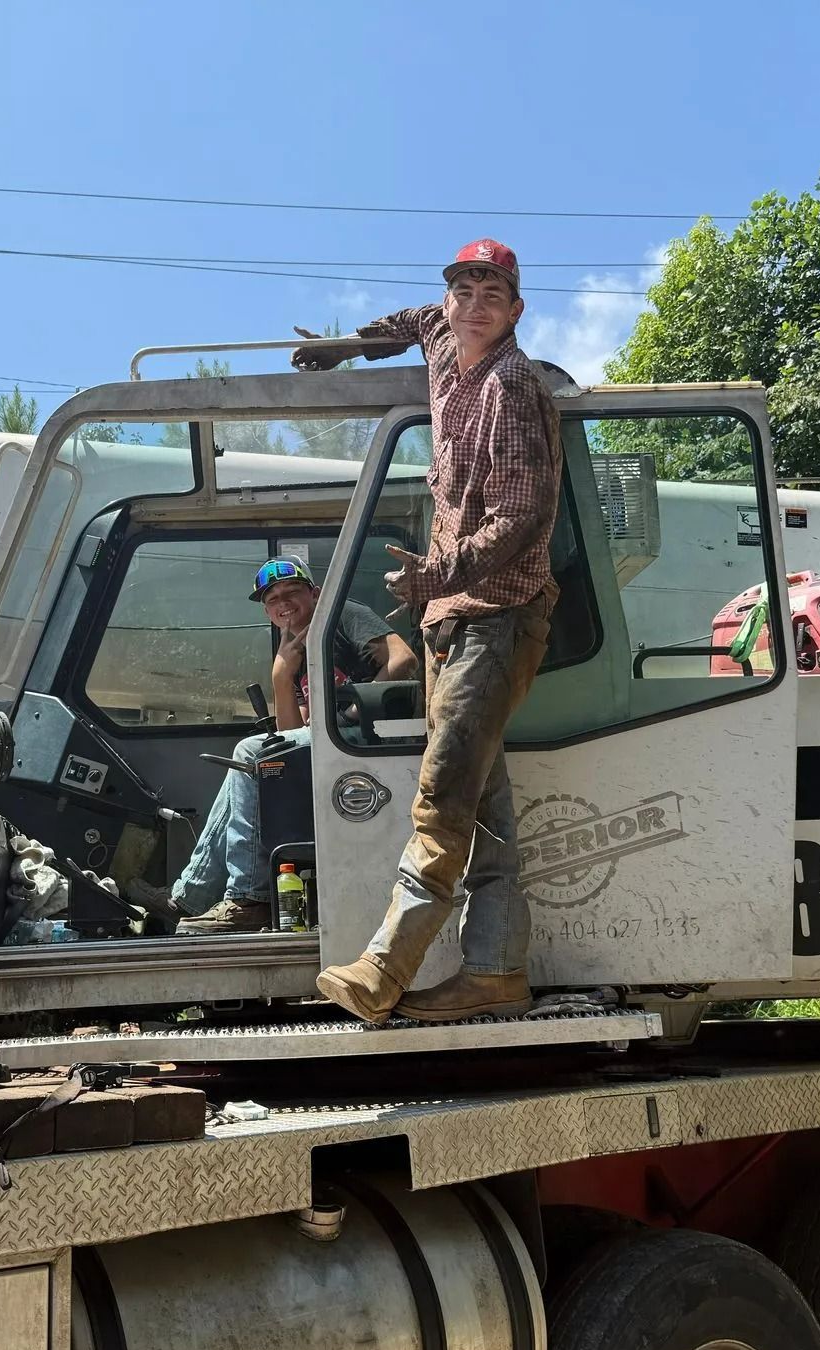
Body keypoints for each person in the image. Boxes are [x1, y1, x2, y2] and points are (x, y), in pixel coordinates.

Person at [293, 239, 563, 1024]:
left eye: (492, 294)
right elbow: (410, 320)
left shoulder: (515, 387)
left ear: (515, 312)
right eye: (463, 289)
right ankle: (496, 972)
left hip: (495, 618)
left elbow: (521, 517)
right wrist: (346, 348)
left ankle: (382, 970)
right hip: (452, 623)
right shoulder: (444, 340)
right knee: (487, 809)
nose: (473, 304)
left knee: (443, 799)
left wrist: (436, 578)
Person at [173, 556, 416, 933]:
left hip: (367, 742)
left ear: (315, 594)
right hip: (329, 744)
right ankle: (187, 900)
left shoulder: (341, 615)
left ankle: (250, 897)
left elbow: (404, 659)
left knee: (249, 751)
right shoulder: (295, 647)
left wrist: (354, 711)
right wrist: (281, 675)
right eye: (272, 599)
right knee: (248, 765)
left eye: (292, 592)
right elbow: (291, 732)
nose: (283, 603)